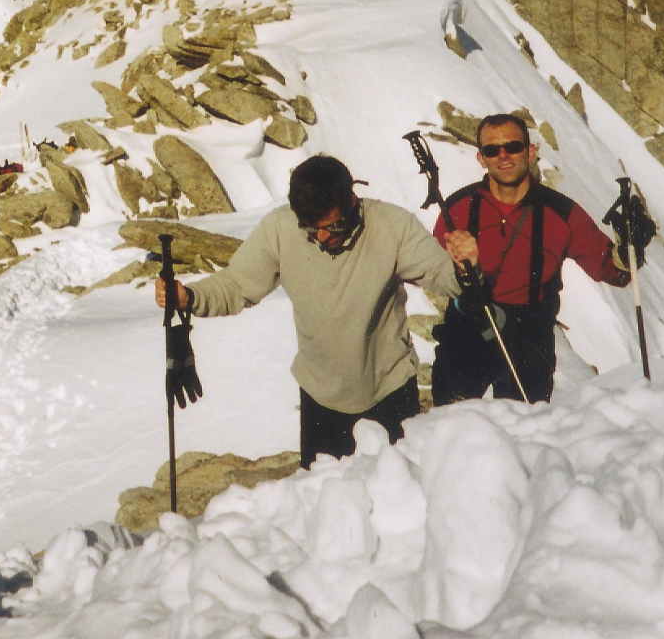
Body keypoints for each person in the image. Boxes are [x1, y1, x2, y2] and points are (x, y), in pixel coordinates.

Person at [153, 154, 461, 467]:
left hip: (389, 389)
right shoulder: (279, 228)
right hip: (320, 398)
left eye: (334, 225)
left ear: (352, 201)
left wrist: (465, 268)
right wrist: (189, 297)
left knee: (395, 500)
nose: (324, 237)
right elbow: (237, 285)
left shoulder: (392, 225)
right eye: (312, 229)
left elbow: (441, 273)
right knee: (324, 499)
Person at [430, 114, 628, 405]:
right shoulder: (459, 207)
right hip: (466, 332)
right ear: (481, 159)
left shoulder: (561, 213)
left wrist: (628, 250)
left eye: (513, 146)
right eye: (492, 150)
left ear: (530, 151)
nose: (504, 156)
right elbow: (431, 268)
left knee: (527, 432)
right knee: (451, 424)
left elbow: (614, 271)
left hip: (530, 337)